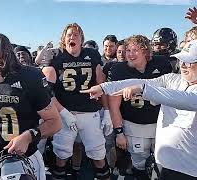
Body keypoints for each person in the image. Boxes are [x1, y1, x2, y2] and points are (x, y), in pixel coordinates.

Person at [80, 39, 197, 180]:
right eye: (181, 60)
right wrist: (104, 87)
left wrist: (142, 90)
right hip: (164, 161)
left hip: (189, 167)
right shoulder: (174, 79)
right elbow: (142, 81)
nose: (183, 65)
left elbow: (182, 99)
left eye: (189, 62)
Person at [0, 32, 61, 180]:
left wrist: (29, 136)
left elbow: (55, 122)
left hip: (26, 160)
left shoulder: (30, 77)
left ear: (1, 52)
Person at [37, 23, 112, 180]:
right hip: (65, 114)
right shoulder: (56, 56)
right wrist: (63, 112)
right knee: (61, 154)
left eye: (76, 34)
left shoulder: (91, 55)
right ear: (64, 39)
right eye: (69, 35)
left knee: (98, 154)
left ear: (82, 39)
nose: (72, 37)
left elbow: (102, 83)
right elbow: (45, 90)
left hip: (90, 113)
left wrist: (107, 111)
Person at [106, 35, 172, 180]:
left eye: (135, 50)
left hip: (161, 125)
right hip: (134, 126)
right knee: (140, 164)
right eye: (128, 50)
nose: (130, 54)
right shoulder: (119, 70)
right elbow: (114, 105)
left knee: (163, 164)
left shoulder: (162, 64)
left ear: (146, 52)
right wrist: (119, 133)